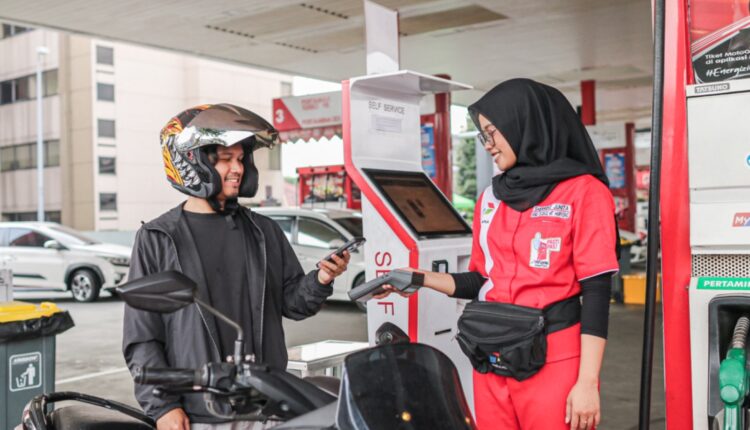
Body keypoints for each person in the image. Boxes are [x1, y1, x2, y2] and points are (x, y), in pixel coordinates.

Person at [378, 79, 619, 430]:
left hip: (553, 358)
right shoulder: (492, 197)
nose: (488, 144)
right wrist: (419, 278)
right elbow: (482, 280)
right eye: (483, 136)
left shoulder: (584, 192)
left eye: (492, 132)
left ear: (525, 124)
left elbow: (596, 290)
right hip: (490, 355)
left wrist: (587, 382)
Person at [122, 104, 350, 430]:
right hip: (199, 414)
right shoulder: (158, 238)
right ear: (192, 161)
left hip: (267, 408)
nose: (237, 169)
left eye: (241, 159)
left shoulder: (264, 232)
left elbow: (293, 304)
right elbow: (142, 336)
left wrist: (322, 278)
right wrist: (162, 407)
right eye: (226, 159)